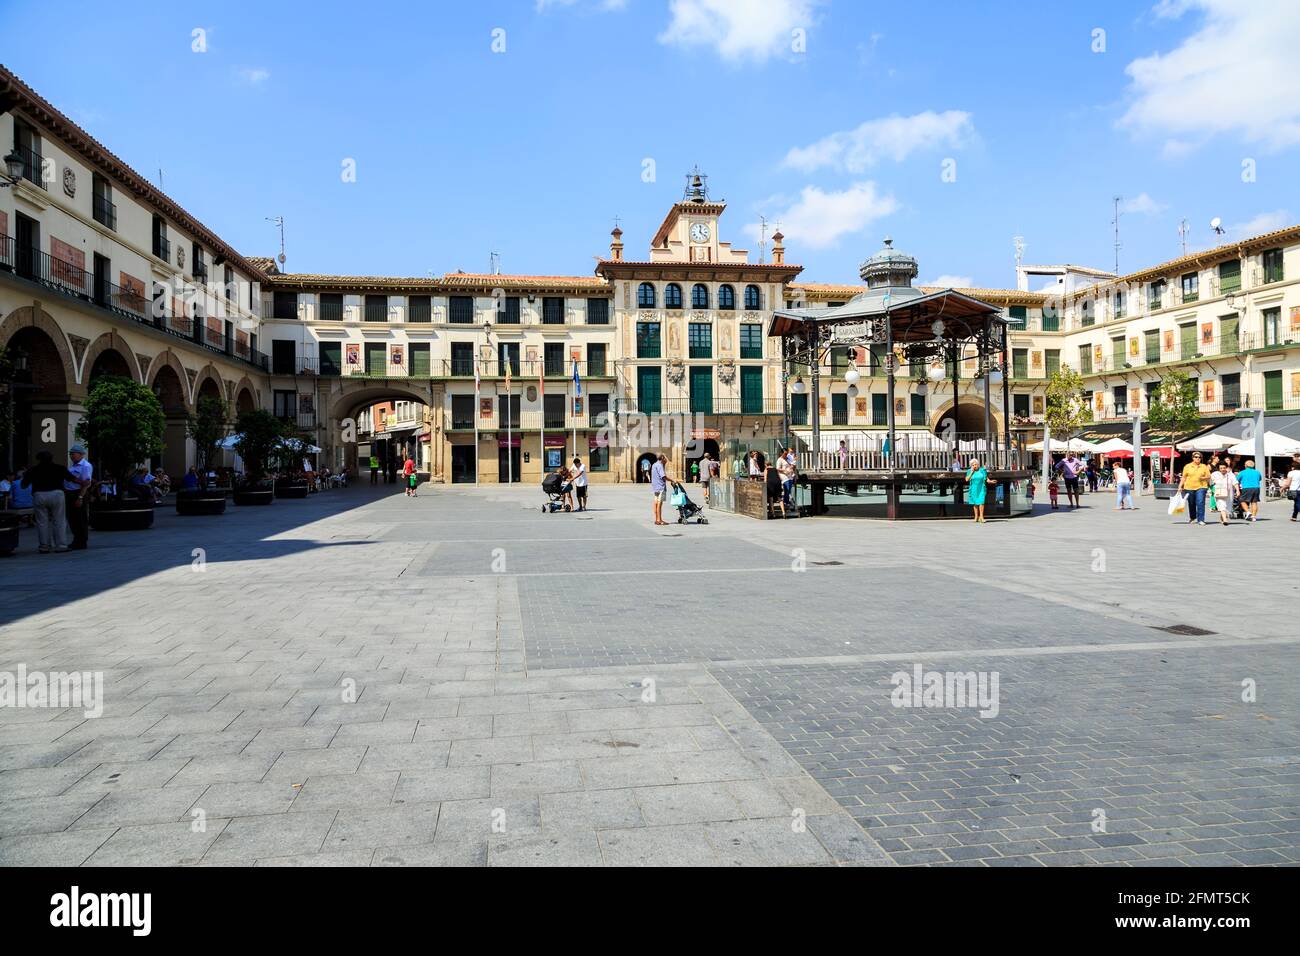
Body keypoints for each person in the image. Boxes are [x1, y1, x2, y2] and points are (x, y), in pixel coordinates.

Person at [20, 451, 76, 553]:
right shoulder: (60, 468)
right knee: (59, 520)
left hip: (39, 494)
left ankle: (44, 546)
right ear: (51, 458)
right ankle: (61, 545)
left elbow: (23, 485)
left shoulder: (33, 470)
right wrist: (84, 482)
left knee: (42, 522)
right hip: (57, 494)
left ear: (39, 459)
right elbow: (72, 479)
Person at [64, 444, 93, 550]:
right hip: (70, 494)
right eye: (70, 454)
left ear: (81, 454)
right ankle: (77, 539)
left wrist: (80, 498)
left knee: (80, 519)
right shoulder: (73, 466)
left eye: (73, 454)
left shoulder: (85, 466)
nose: (71, 456)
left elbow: (86, 483)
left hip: (78, 493)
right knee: (72, 519)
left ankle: (81, 541)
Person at [1177, 451, 1211, 526]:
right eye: (1196, 457)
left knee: (1200, 502)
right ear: (1193, 458)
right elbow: (1184, 477)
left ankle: (1201, 519)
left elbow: (1209, 476)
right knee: (1191, 503)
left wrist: (1203, 478)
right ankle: (1192, 517)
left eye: (1199, 457)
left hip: (1201, 487)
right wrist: (1180, 486)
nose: (1198, 458)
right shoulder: (1187, 466)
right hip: (1189, 487)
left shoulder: (1204, 466)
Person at [1209, 462, 1239, 526]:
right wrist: (1211, 489)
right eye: (1221, 468)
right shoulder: (1214, 474)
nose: (1222, 469)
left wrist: (1238, 490)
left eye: (1224, 468)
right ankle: (1225, 520)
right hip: (1218, 493)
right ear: (1218, 468)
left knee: (1227, 507)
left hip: (1229, 493)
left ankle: (1223, 518)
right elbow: (1210, 482)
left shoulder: (1230, 474)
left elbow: (1235, 482)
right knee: (1221, 505)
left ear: (1226, 467)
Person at [1235, 458, 1262, 523]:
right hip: (1256, 488)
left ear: (1246, 465)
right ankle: (1253, 517)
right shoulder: (1257, 472)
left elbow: (1236, 480)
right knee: (1254, 502)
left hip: (1246, 488)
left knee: (1241, 500)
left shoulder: (1242, 472)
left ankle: (1248, 512)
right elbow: (1260, 479)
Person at [965, 457, 990, 522]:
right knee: (975, 503)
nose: (974, 466)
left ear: (978, 464)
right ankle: (976, 517)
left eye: (975, 464)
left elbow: (986, 478)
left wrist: (989, 481)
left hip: (981, 488)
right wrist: (971, 472)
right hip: (973, 488)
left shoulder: (982, 470)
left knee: (981, 502)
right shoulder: (969, 471)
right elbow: (967, 479)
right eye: (973, 465)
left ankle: (981, 517)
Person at [650, 453, 672, 525]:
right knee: (660, 503)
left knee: (656, 503)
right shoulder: (659, 465)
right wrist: (672, 480)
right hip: (661, 487)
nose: (666, 459)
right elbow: (663, 476)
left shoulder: (654, 464)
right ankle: (660, 520)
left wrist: (664, 464)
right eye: (665, 457)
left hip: (655, 487)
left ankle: (656, 519)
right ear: (662, 458)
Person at [1286, 457, 1300, 522]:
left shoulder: (1291, 473)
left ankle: (1294, 517)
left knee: (1297, 503)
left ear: (1293, 467)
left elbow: (1288, 484)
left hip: (1293, 490)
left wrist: (1282, 488)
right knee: (1296, 503)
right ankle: (1294, 517)